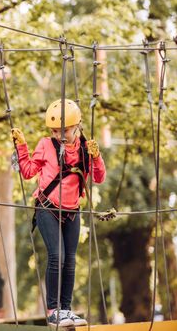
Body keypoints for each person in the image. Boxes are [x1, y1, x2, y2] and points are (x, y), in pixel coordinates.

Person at [11, 99, 106, 327]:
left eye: (64, 130)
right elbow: (28, 171)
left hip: (72, 211)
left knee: (71, 261)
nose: (59, 135)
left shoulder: (85, 148)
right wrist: (22, 147)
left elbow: (99, 177)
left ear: (77, 126)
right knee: (57, 256)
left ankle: (66, 309)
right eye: (55, 131)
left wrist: (96, 157)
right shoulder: (46, 144)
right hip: (47, 207)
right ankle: (53, 310)